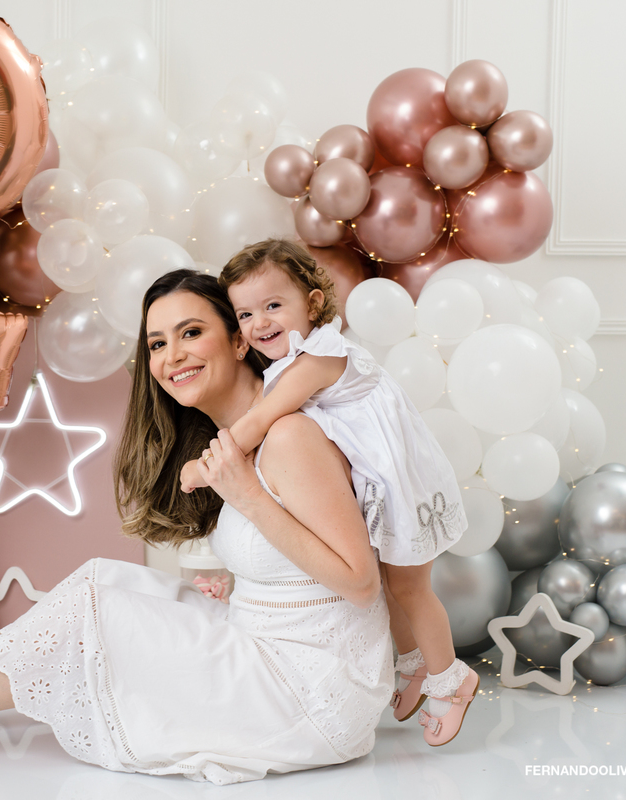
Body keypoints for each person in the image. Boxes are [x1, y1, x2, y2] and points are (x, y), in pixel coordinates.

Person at [0, 268, 394, 784]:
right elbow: (302, 559)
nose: (172, 355)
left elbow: (361, 585)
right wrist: (249, 582)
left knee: (93, 611)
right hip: (275, 648)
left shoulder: (287, 437)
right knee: (108, 581)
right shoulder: (237, 438)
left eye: (190, 333)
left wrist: (248, 498)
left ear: (239, 341)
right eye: (156, 344)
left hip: (309, 692)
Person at [180, 239, 478, 745]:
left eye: (274, 305)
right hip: (375, 482)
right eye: (246, 312)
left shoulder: (319, 356)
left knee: (409, 588)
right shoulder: (288, 364)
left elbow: (260, 420)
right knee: (388, 582)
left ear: (313, 303)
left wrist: (206, 467)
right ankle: (412, 667)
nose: (260, 322)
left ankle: (452, 678)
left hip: (400, 483)